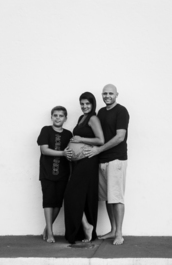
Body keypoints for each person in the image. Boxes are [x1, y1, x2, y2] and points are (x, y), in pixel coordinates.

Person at [88, 84, 130, 245]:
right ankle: (112, 230)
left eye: (110, 93)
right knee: (107, 198)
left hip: (116, 159)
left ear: (116, 94)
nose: (107, 96)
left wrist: (99, 150)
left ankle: (119, 233)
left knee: (116, 197)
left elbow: (120, 137)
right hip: (102, 160)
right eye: (105, 93)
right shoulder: (101, 112)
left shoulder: (121, 111)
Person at [62, 92, 104, 247]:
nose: (85, 106)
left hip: (88, 161)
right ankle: (86, 226)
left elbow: (101, 140)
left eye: (87, 103)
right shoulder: (82, 118)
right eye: (82, 103)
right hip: (79, 162)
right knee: (78, 196)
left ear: (93, 104)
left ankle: (87, 226)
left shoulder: (93, 118)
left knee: (71, 194)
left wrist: (80, 139)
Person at [36, 106, 72, 243]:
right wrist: (62, 153)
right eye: (55, 115)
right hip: (47, 172)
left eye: (61, 116)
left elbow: (71, 151)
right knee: (48, 201)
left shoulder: (68, 134)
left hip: (63, 173)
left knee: (58, 203)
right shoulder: (46, 130)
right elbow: (44, 150)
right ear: (51, 117)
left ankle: (47, 228)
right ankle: (50, 233)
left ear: (65, 118)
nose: (58, 118)